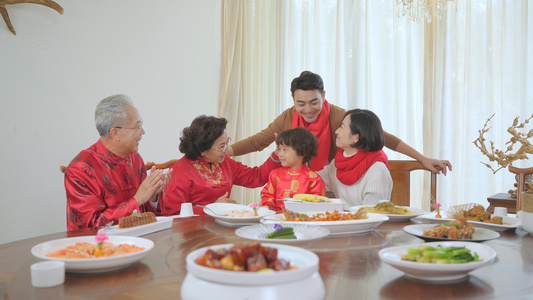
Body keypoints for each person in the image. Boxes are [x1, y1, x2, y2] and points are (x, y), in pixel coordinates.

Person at [226, 71, 452, 174]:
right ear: (293, 100)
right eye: (300, 103)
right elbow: (257, 141)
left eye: (314, 102)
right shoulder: (287, 117)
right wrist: (223, 152)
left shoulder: (339, 117)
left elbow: (382, 137)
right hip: (296, 188)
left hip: (333, 189)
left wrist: (422, 158)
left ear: (324, 95)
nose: (307, 110)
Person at [64, 94, 172, 231]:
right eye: (138, 127)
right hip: (100, 248)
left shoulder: (135, 159)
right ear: (115, 133)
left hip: (137, 242)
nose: (143, 132)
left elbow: (146, 216)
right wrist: (137, 200)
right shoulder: (81, 168)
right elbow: (89, 227)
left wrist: (152, 196)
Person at [162, 115, 282, 216]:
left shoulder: (225, 163)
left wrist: (277, 155)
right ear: (203, 149)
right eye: (221, 146)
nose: (226, 150)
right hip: (194, 232)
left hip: (222, 226)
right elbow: (174, 212)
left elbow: (256, 177)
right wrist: (214, 208)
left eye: (227, 143)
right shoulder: (179, 171)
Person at [318, 109, 392, 206]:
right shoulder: (338, 163)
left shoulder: (377, 171)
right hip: (344, 219)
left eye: (342, 127)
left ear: (356, 138)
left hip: (361, 220)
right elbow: (313, 180)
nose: (336, 131)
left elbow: (372, 214)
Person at [260, 127, 326, 212]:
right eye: (279, 149)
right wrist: (270, 211)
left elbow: (319, 204)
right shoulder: (275, 174)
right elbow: (267, 195)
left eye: (285, 149)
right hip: (276, 219)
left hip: (304, 221)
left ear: (302, 153)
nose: (280, 154)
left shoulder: (314, 179)